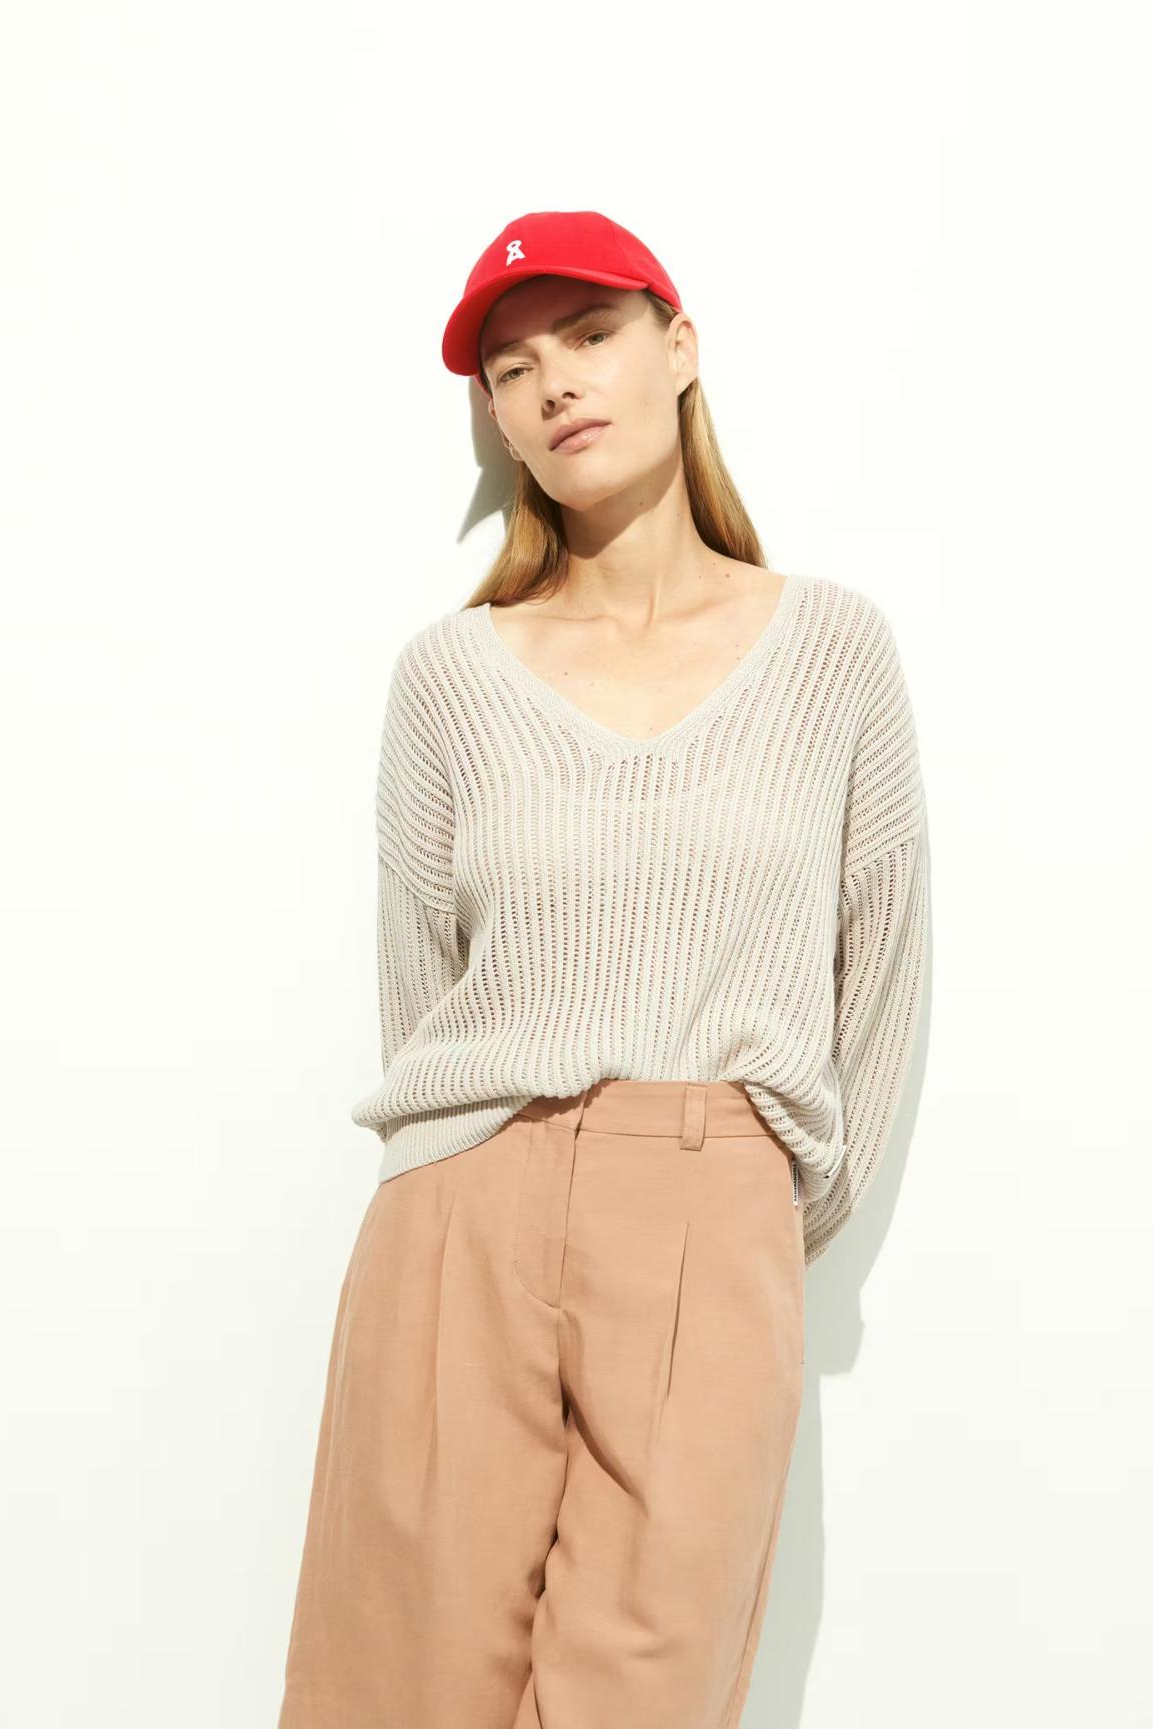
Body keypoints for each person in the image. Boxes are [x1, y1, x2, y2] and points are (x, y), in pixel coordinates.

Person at [277, 209, 931, 1729]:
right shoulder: (450, 678)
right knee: (397, 1690)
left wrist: (746, 1200)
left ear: (679, 347)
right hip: (460, 1211)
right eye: (512, 369)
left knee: (640, 1691)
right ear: (497, 422)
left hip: (710, 1202)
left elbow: (881, 980)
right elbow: (419, 992)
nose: (555, 382)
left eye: (589, 335)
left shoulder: (834, 652)